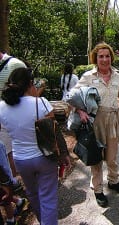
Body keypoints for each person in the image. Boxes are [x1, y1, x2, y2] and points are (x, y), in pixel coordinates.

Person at [70, 42, 119, 208]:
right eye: (101, 56)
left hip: (113, 119)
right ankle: (98, 190)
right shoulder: (88, 77)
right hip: (95, 121)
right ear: (95, 58)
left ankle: (113, 181)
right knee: (96, 158)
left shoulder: (115, 75)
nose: (104, 59)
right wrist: (79, 110)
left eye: (107, 56)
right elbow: (71, 96)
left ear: (111, 57)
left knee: (112, 156)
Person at [0, 67, 71, 225]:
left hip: (21, 160)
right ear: (30, 84)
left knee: (33, 195)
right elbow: (54, 131)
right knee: (48, 198)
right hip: (44, 157)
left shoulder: (2, 107)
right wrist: (64, 154)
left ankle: (42, 221)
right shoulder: (41, 103)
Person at [0, 50, 26, 192]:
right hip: (2, 114)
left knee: (9, 152)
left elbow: (28, 89)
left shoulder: (14, 64)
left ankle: (16, 184)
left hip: (12, 117)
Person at [0, 150, 28, 225]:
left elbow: (4, 165)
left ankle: (11, 220)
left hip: (2, 181)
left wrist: (9, 181)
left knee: (5, 201)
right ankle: (20, 202)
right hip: (3, 181)